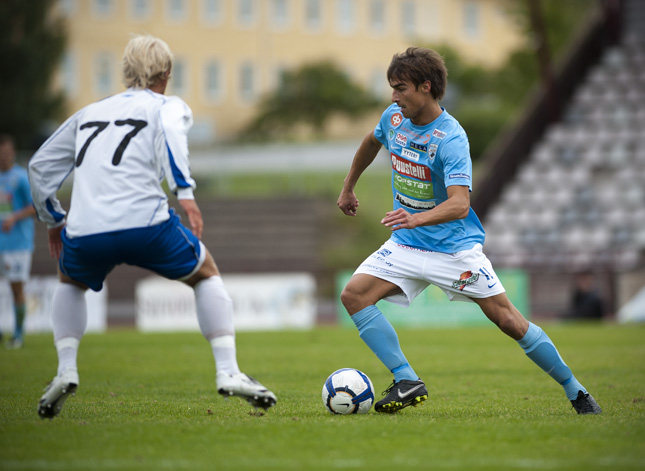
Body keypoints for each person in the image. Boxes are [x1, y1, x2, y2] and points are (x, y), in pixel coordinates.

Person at [336, 47, 601, 415]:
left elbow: (460, 204)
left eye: (401, 88)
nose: (394, 97)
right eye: (392, 89)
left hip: (453, 250)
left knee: (508, 320)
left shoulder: (451, 138)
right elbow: (371, 141)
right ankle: (406, 379)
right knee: (354, 296)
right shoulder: (394, 118)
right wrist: (349, 187)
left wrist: (416, 218)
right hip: (406, 246)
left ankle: (577, 391)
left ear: (426, 87)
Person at [28, 34, 276, 419]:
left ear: (125, 72)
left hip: (87, 227)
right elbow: (174, 136)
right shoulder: (166, 106)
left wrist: (52, 220)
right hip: (145, 223)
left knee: (69, 281)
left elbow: (40, 167)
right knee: (205, 272)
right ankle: (228, 371)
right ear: (167, 72)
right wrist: (185, 193)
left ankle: (65, 370)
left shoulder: (88, 113)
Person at [0, 134, 36, 349]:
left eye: (5, 153)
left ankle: (18, 334)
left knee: (16, 289)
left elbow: (34, 207)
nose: (3, 158)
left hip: (18, 244)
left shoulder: (20, 177)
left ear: (12, 153)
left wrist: (14, 217)